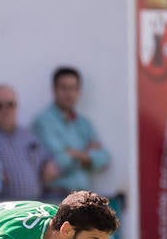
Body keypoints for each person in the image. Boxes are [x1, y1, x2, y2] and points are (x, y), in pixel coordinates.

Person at [31, 67, 111, 196]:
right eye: (64, 88)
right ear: (54, 90)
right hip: (55, 197)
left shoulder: (84, 123)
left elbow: (104, 158)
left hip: (84, 197)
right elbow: (58, 161)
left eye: (73, 88)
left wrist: (73, 153)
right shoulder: (43, 122)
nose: (69, 94)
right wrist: (87, 153)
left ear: (79, 91)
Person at [0, 84, 60, 200]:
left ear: (17, 106)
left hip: (34, 205)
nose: (5, 110)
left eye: (10, 105)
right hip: (2, 208)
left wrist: (49, 164)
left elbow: (47, 158)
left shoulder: (27, 135)